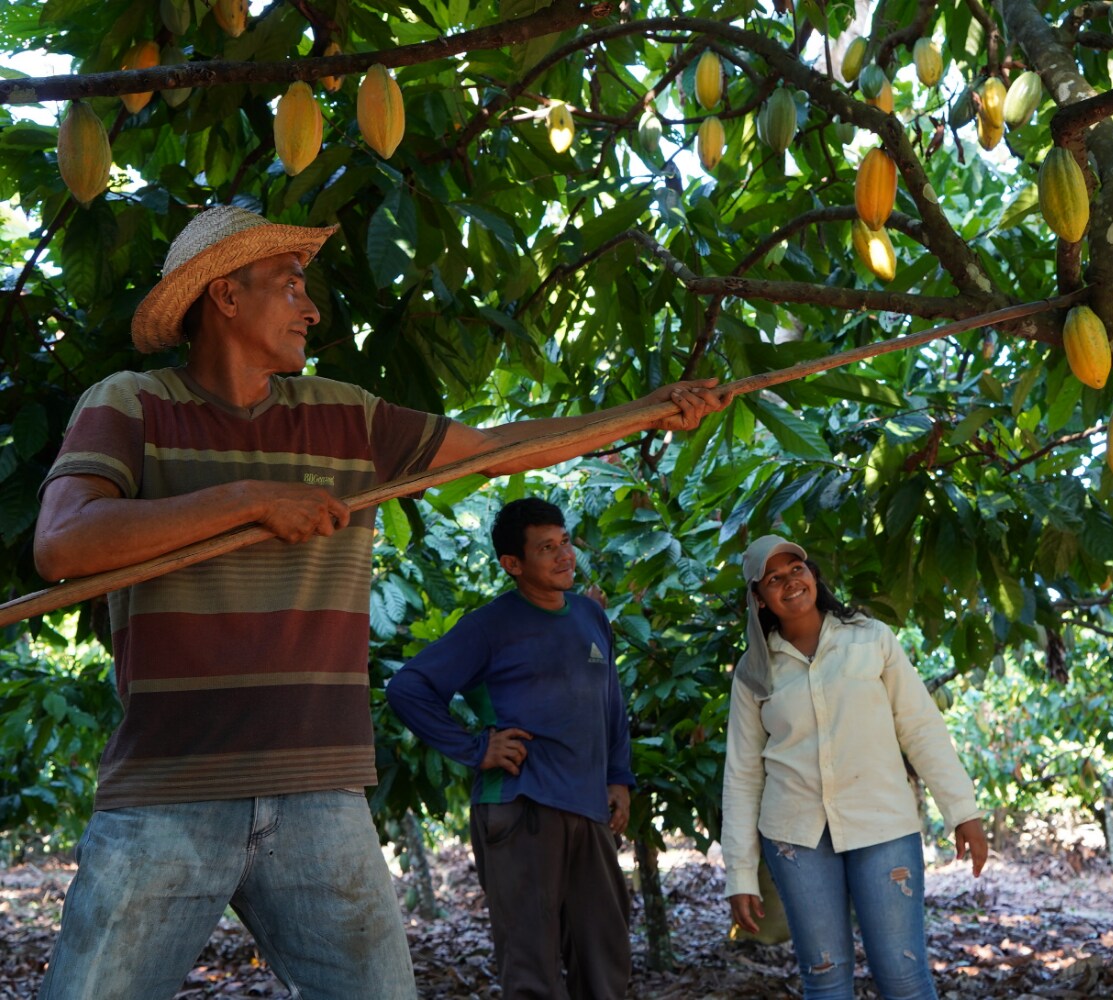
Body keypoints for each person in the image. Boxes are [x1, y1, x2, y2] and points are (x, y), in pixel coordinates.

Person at [31, 205, 727, 1000]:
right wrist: (254, 499)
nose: (312, 305)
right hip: (168, 789)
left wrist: (646, 411)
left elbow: (499, 449)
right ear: (225, 295)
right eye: (290, 285)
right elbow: (64, 544)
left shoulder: (346, 416)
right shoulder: (130, 403)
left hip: (320, 789)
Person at [722, 534, 988, 1000]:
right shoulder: (753, 674)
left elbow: (920, 726)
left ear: (814, 575)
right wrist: (740, 875)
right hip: (795, 837)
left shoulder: (870, 638)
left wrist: (962, 810)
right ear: (759, 600)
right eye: (773, 579)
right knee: (825, 980)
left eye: (796, 570)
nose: (790, 583)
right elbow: (743, 775)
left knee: (903, 977)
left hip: (882, 824)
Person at [387, 497, 633, 1000]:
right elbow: (407, 688)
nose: (564, 555)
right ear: (512, 565)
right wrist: (476, 748)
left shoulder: (590, 615)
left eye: (564, 541)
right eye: (547, 548)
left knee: (605, 962)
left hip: (589, 807)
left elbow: (610, 701)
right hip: (520, 809)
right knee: (531, 972)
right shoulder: (489, 626)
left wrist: (618, 778)